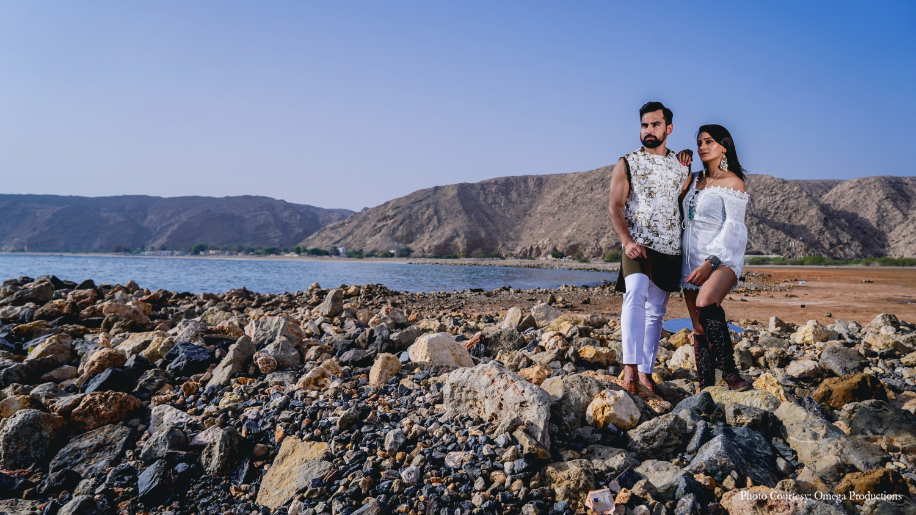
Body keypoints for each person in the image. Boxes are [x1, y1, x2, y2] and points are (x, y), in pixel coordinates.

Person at [608, 101, 691, 394]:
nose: (649, 130)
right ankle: (629, 369)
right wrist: (627, 242)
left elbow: (684, 203)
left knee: (656, 311)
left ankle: (646, 373)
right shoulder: (627, 162)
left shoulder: (682, 166)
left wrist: (687, 159)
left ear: (669, 128)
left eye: (656, 124)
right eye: (645, 125)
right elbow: (615, 206)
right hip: (638, 246)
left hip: (670, 248)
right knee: (634, 293)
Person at [676, 124, 752, 391]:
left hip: (722, 258)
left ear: (724, 147)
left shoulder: (733, 182)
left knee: (706, 302)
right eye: (699, 142)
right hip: (689, 260)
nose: (702, 147)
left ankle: (731, 375)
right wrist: (681, 166)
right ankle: (705, 388)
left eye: (709, 141)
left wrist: (710, 263)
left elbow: (734, 229)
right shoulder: (693, 178)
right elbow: (673, 203)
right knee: (698, 328)